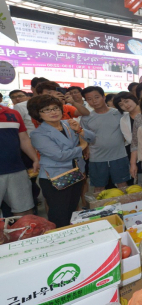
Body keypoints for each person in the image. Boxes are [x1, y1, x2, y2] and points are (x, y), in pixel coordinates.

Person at [29, 95, 95, 227]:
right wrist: (81, 147)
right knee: (59, 214)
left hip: (75, 173)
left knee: (72, 209)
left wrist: (80, 130)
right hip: (56, 178)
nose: (53, 112)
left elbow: (92, 137)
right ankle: (60, 239)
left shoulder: (68, 123)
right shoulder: (38, 134)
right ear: (38, 114)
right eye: (46, 110)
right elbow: (59, 156)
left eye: (55, 108)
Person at [81, 86, 130, 194]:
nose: (94, 101)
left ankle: (126, 208)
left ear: (103, 97)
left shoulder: (118, 113)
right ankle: (100, 210)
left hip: (119, 156)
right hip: (97, 158)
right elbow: (84, 136)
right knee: (98, 188)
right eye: (89, 99)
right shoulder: (86, 117)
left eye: (97, 97)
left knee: (123, 186)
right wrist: (86, 149)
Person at [0, 103, 38, 218]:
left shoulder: (13, 114)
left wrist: (35, 158)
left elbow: (24, 138)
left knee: (24, 210)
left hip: (16, 169)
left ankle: (25, 236)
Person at [113, 92, 142, 188]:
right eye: (121, 105)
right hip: (135, 152)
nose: (125, 105)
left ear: (134, 99)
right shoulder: (124, 119)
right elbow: (131, 140)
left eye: (127, 101)